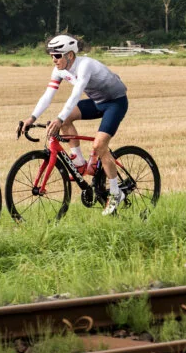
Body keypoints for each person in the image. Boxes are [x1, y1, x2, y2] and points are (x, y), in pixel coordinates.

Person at [20, 34, 130, 216]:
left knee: (99, 145)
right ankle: (79, 162)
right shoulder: (59, 70)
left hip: (115, 102)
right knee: (64, 119)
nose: (53, 59)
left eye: (57, 55)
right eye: (51, 55)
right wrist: (31, 118)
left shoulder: (84, 65)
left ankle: (116, 192)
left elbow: (75, 95)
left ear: (70, 55)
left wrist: (59, 119)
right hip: (97, 101)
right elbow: (48, 95)